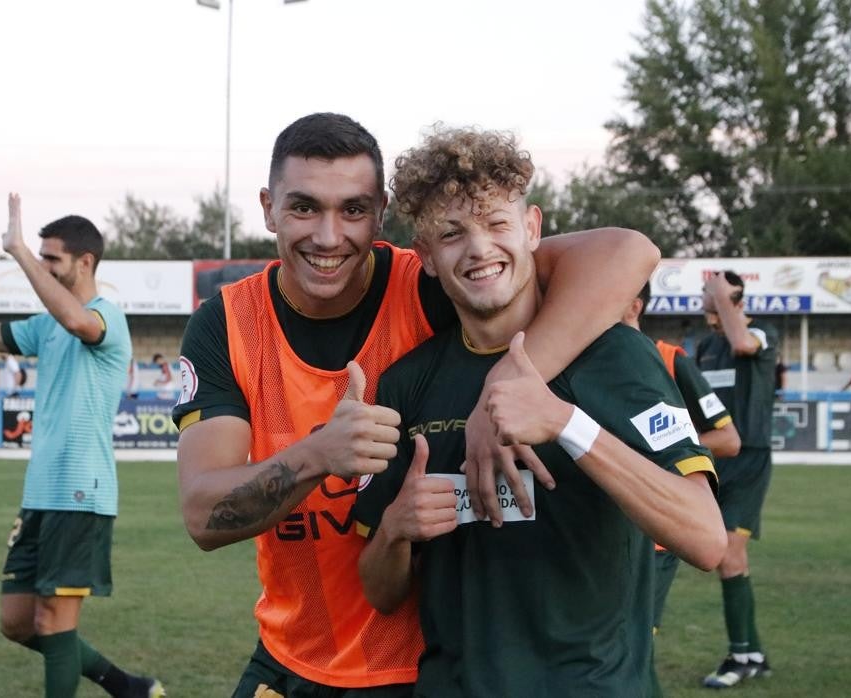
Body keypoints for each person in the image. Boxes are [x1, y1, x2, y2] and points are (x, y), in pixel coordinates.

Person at [172, 113, 658, 697]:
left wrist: (500, 391)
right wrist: (320, 453)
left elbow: (628, 253)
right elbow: (203, 517)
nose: (328, 236)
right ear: (268, 207)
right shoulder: (226, 323)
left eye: (352, 209)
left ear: (381, 214)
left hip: (421, 666)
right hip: (292, 653)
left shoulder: (432, 281)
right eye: (304, 207)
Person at [353, 127, 725, 697]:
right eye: (452, 234)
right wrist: (396, 533)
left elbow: (705, 539)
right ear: (425, 257)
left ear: (532, 229)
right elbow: (380, 591)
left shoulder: (618, 355)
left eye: (498, 224)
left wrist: (566, 424)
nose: (479, 249)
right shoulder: (407, 382)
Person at [0, 194, 160, 698]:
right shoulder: (45, 326)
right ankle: (124, 685)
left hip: (81, 492)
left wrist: (17, 252)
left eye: (49, 258)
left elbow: (78, 323)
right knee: (17, 621)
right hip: (40, 492)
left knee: (55, 619)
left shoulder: (106, 317)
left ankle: (123, 685)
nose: (41, 264)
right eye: (38, 256)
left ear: (85, 262)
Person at [625, 281, 740, 696]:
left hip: (654, 539)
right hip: (599, 534)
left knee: (632, 649)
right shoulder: (581, 356)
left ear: (634, 304)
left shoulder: (671, 360)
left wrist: (652, 453)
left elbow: (728, 439)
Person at [694, 270, 780, 688]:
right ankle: (753, 653)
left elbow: (742, 342)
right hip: (712, 461)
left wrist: (722, 296)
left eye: (712, 294)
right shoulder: (706, 348)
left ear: (735, 298)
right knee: (729, 559)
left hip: (749, 460)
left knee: (728, 554)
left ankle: (739, 656)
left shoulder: (762, 335)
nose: (705, 299)